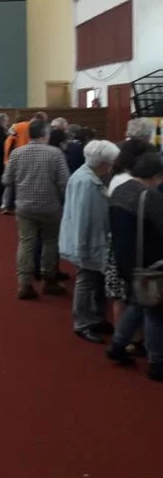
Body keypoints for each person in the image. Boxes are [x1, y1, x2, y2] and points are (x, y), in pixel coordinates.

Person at [106, 153, 163, 381]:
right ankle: (157, 363)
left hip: (125, 261)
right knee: (155, 312)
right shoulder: (151, 197)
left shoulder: (120, 190)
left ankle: (118, 345)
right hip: (151, 263)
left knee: (139, 304)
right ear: (156, 175)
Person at [58, 140, 120, 343]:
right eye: (110, 162)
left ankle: (96, 318)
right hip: (86, 241)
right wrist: (82, 248)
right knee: (86, 282)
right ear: (102, 162)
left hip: (93, 240)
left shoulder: (88, 176)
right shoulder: (86, 182)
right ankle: (82, 323)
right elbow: (82, 218)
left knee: (98, 281)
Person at [3, 119, 70, 300]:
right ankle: (49, 280)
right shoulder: (55, 154)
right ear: (44, 135)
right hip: (50, 207)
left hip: (24, 207)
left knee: (26, 243)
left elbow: (6, 180)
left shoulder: (17, 153)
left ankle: (24, 283)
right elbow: (65, 183)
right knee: (50, 242)